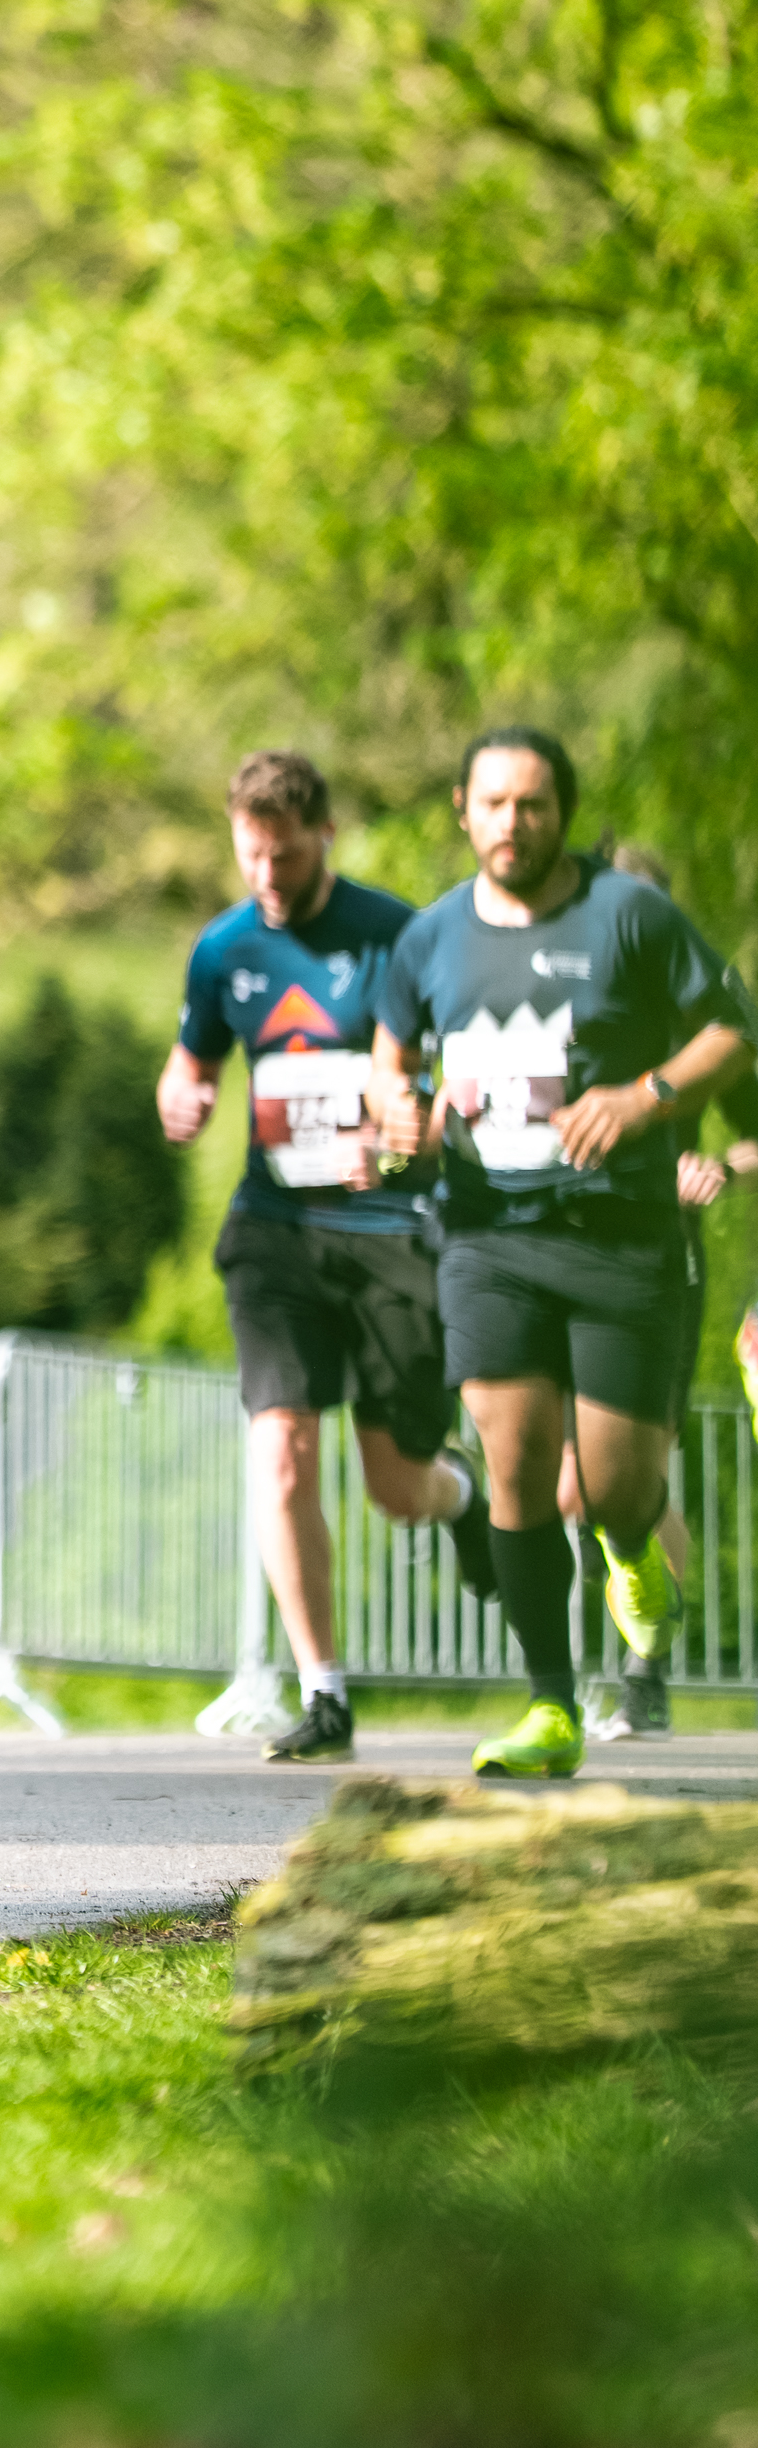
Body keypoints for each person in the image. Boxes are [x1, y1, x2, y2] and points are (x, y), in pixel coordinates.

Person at [371, 729, 756, 1780]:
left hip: (620, 1239)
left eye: (532, 804)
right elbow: (390, 1063)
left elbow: (733, 1030)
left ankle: (634, 1553)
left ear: (562, 814)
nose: (513, 822)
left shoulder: (629, 915)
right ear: (464, 810)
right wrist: (397, 1118)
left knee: (621, 1488)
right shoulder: (431, 937)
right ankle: (551, 1703)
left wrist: (646, 1098)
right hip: (488, 1238)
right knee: (516, 1467)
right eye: (494, 803)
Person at [159, 749, 496, 1767]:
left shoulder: (395, 935)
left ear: (325, 837)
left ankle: (459, 1496)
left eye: (286, 856)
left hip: (390, 1230)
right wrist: (183, 1096)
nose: (267, 876)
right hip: (274, 1230)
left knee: (396, 1484)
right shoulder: (224, 950)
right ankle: (324, 1691)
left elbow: (462, 1082)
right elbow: (190, 1062)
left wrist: (402, 1133)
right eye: (251, 855)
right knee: (283, 1448)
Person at [555, 845, 758, 1739]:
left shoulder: (701, 1023)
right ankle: (569, 1675)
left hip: (658, 1258)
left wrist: (717, 1165)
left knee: (630, 1475)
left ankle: (646, 1672)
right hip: (548, 1251)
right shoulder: (550, 995)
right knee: (565, 1484)